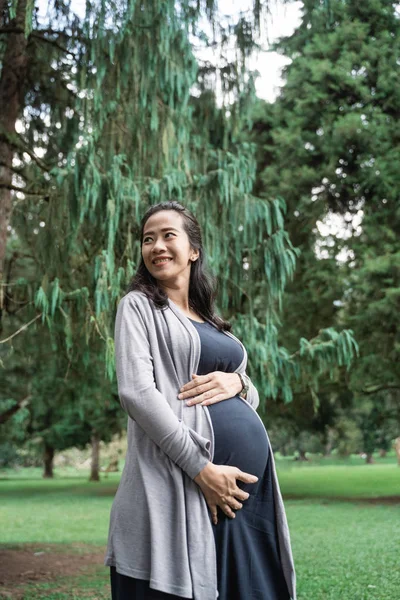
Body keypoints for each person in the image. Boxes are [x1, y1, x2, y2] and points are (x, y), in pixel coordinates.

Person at [104, 201, 296, 600]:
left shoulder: (210, 320)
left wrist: (239, 384)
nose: (156, 245)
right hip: (188, 486)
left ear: (193, 249)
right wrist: (202, 469)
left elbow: (248, 394)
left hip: (242, 498)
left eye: (168, 235)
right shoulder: (138, 306)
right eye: (147, 239)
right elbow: (136, 393)